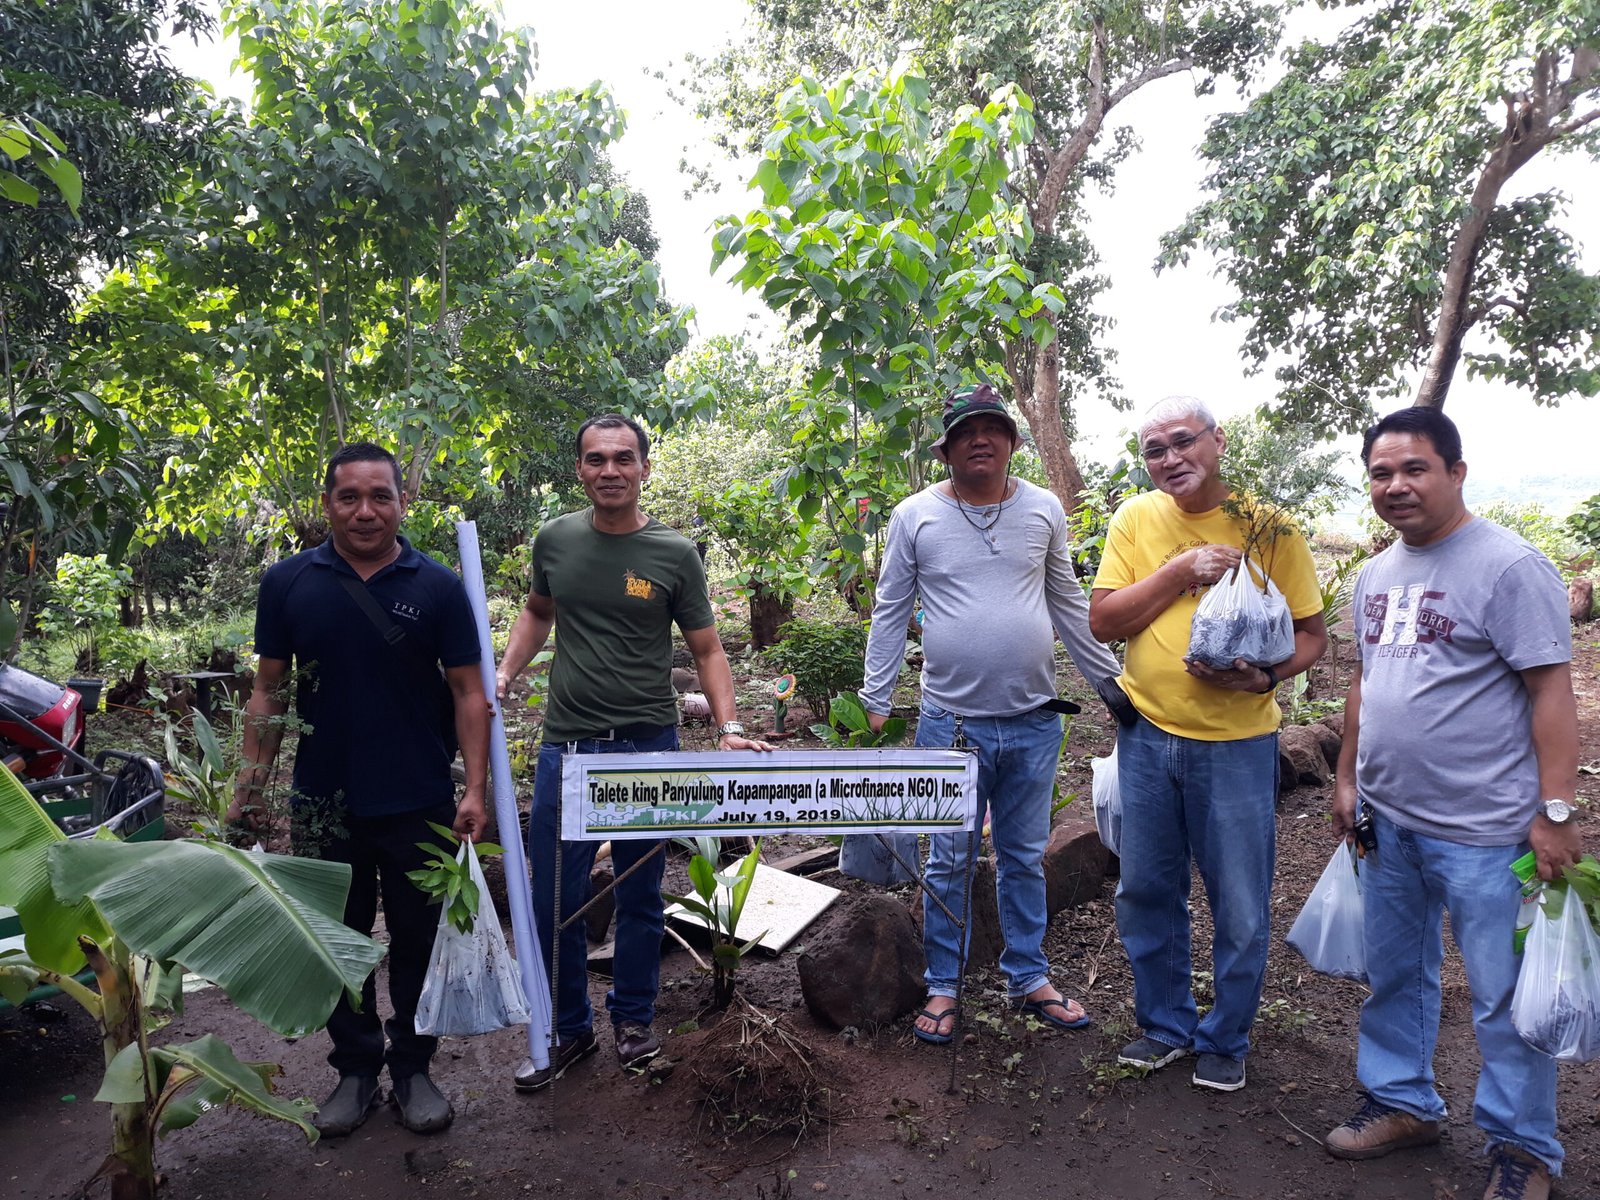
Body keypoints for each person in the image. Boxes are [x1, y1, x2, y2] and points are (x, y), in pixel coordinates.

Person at [1323, 406, 1579, 1200]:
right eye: (1380, 473)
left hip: (1487, 832)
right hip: (1390, 823)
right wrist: (1346, 777)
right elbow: (1366, 683)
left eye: (1413, 469)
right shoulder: (1376, 573)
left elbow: (1551, 692)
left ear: (1456, 473)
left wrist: (1555, 812)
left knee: (1505, 1000)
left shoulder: (1508, 568)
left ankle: (1523, 1149)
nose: (1395, 486)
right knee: (1397, 976)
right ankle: (1403, 1102)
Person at [496, 413, 772, 1091]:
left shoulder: (673, 554)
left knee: (642, 895)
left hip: (647, 746)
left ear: (645, 468)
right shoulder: (555, 540)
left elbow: (706, 648)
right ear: (580, 470)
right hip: (568, 746)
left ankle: (634, 1020)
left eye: (624, 458)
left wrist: (729, 725)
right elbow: (538, 610)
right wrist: (507, 670)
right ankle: (569, 1030)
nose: (610, 470)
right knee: (551, 898)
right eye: (596, 460)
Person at [227, 442, 490, 1137]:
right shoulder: (288, 584)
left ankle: (413, 1067)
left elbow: (469, 692)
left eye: (381, 496)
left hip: (419, 798)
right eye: (350, 497)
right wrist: (250, 784)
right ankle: (354, 1068)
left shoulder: (435, 587)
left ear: (403, 503)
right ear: (328, 504)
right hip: (322, 802)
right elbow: (269, 688)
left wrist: (476, 790)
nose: (366, 511)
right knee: (335, 940)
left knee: (416, 938)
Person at [860, 383, 1129, 1045]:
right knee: (948, 858)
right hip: (949, 722)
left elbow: (1067, 601)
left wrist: (1112, 684)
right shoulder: (914, 515)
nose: (980, 439)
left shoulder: (1042, 510)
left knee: (1022, 855)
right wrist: (874, 696)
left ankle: (1028, 974)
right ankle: (945, 986)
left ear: (1012, 440)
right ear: (947, 447)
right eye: (966, 430)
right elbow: (892, 609)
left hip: (1036, 720)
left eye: (993, 427)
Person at [1089, 395, 1326, 1092]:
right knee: (1147, 888)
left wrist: (1265, 677)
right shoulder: (1135, 518)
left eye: (1182, 441)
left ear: (1217, 441)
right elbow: (1104, 621)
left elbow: (1311, 634)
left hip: (1237, 745)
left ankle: (1227, 1034)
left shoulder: (1268, 527)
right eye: (1154, 451)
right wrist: (1180, 570)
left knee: (1242, 900)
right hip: (1147, 735)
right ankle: (1165, 1024)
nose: (1169, 459)